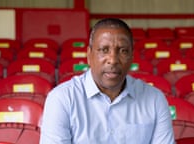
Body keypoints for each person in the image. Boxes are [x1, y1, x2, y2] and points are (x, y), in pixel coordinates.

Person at [40, 18, 175, 144]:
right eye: (104, 50)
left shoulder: (155, 100)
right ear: (89, 56)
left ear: (132, 57)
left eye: (123, 51)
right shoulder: (62, 99)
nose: (113, 59)